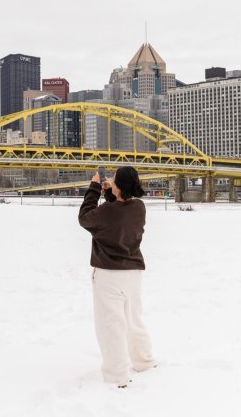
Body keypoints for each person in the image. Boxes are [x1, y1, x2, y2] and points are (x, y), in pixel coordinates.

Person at [78, 166, 157, 388]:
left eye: (114, 180)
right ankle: (144, 361)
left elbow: (86, 218)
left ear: (120, 185)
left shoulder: (107, 212)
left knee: (111, 325)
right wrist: (111, 192)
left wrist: (94, 187)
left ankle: (117, 375)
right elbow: (118, 211)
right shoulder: (139, 207)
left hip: (108, 275)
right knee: (133, 320)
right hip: (133, 274)